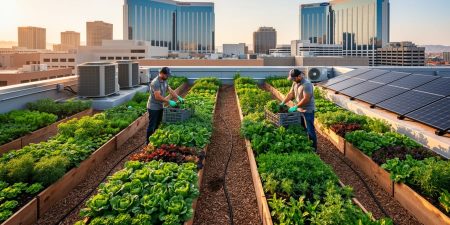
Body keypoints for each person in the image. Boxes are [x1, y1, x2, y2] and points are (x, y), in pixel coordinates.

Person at [280, 68, 318, 151]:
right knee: (301, 128)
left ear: (299, 76)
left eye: (294, 78)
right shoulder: (295, 83)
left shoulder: (307, 84)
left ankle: (314, 149)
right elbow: (291, 94)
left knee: (310, 130)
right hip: (299, 109)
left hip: (307, 110)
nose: (292, 80)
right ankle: (305, 145)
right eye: (292, 78)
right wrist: (283, 102)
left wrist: (296, 106)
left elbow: (306, 99)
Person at [146, 67, 184, 144]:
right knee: (152, 125)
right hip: (153, 107)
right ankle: (148, 142)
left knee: (158, 123)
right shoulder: (155, 83)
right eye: (167, 75)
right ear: (162, 74)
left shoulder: (164, 81)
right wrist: (169, 101)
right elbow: (157, 97)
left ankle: (154, 139)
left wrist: (178, 97)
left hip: (160, 106)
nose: (168, 77)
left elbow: (170, 90)